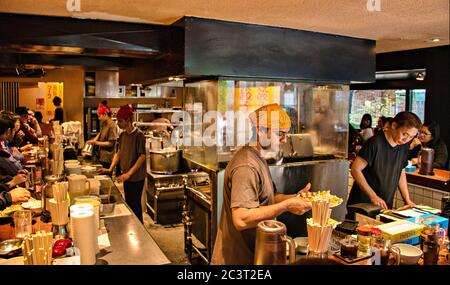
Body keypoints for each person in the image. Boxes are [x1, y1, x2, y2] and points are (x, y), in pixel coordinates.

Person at [211, 103, 312, 265]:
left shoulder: (259, 158)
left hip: (255, 255)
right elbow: (241, 218)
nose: (285, 140)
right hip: (236, 260)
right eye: (280, 134)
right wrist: (286, 205)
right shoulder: (246, 165)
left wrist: (296, 198)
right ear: (260, 130)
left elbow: (270, 197)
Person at [347, 111, 422, 210]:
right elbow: (355, 170)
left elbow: (400, 171)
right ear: (394, 125)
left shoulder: (403, 146)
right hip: (362, 205)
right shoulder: (375, 143)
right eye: (404, 134)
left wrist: (407, 199)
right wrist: (373, 196)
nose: (406, 139)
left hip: (384, 206)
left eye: (411, 137)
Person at [98, 105, 146, 223]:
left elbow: (142, 156)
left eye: (120, 121)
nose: (118, 123)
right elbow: (119, 153)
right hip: (127, 176)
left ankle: (140, 230)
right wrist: (110, 169)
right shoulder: (123, 135)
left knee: (135, 206)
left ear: (128, 120)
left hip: (136, 177)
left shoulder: (139, 135)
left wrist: (129, 174)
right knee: (128, 204)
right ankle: (133, 229)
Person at [86, 102, 118, 170]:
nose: (98, 118)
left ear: (105, 114)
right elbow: (100, 133)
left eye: (99, 116)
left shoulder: (112, 126)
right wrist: (94, 140)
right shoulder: (104, 124)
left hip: (108, 158)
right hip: (101, 156)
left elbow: (111, 143)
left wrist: (95, 143)